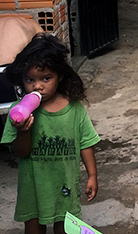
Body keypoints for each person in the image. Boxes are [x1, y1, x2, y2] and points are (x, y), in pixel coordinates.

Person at [1, 33, 100, 234]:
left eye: (46, 78)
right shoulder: (17, 111)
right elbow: (21, 152)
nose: (37, 86)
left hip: (64, 183)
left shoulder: (74, 110)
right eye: (30, 80)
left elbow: (85, 143)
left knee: (64, 228)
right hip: (33, 186)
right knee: (34, 228)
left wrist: (92, 175)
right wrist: (23, 132)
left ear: (59, 76)